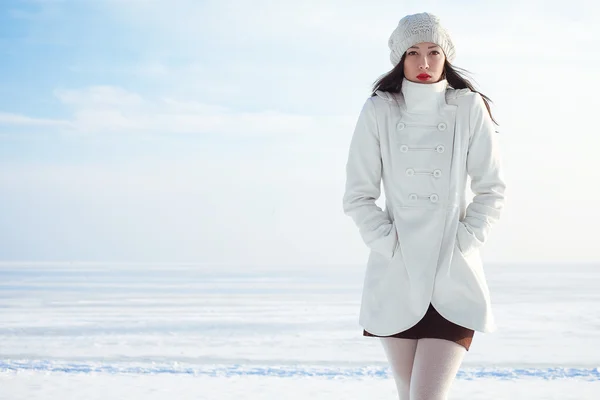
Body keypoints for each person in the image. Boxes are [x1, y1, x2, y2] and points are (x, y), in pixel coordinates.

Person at [342, 12, 506, 400]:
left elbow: (492, 189)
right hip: (397, 277)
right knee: (409, 394)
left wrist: (465, 240)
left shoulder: (468, 108)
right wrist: (388, 243)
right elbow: (358, 195)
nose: (424, 63)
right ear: (399, 59)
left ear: (446, 56)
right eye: (413, 53)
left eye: (433, 52)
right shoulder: (380, 110)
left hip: (453, 274)